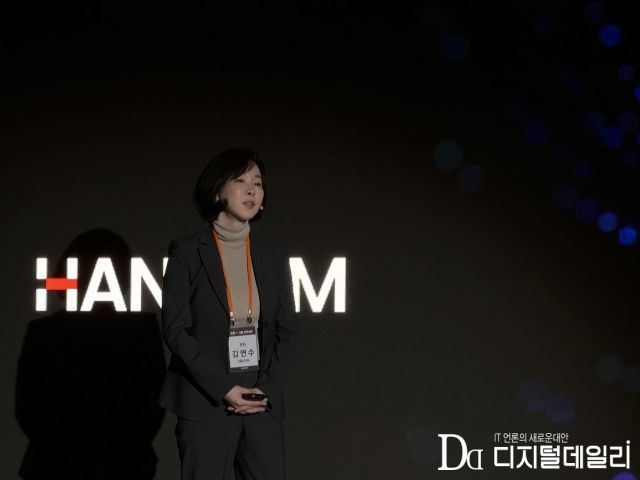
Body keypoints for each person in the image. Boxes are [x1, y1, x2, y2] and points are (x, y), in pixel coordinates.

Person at [158, 147, 299, 480]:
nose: (251, 190)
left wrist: (267, 388)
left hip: (261, 400)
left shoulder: (273, 256)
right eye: (240, 180)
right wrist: (224, 388)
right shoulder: (187, 253)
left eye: (257, 183)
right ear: (216, 190)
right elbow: (175, 330)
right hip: (205, 400)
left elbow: (288, 330)